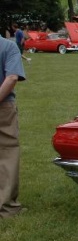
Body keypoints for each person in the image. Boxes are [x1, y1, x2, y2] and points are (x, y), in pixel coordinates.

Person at [0, 34, 26, 218]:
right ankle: (7, 208)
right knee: (7, 153)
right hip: (3, 106)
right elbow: (11, 78)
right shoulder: (8, 47)